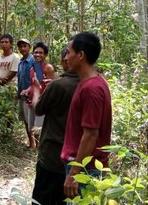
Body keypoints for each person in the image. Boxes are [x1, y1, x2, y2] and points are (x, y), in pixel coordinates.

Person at [61, 32, 112, 200]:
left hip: (86, 170)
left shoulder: (92, 89)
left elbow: (91, 134)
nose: (66, 57)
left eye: (69, 52)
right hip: (83, 168)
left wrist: (75, 173)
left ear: (81, 55)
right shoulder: (89, 83)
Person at [31, 47, 80, 205]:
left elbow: (38, 109)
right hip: (80, 158)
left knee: (43, 197)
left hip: (53, 154)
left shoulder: (58, 85)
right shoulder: (94, 85)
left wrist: (38, 89)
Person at [23, 42, 57, 127]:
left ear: (45, 55)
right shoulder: (32, 68)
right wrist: (27, 90)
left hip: (42, 104)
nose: (37, 54)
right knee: (33, 128)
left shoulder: (48, 68)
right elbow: (33, 84)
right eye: (36, 52)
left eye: (41, 53)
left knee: (40, 128)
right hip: (32, 102)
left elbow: (51, 86)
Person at [16, 38, 39, 148]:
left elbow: (38, 78)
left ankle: (38, 144)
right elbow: (20, 79)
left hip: (32, 96)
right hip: (22, 96)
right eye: (20, 47)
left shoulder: (34, 61)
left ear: (29, 47)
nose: (22, 48)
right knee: (26, 120)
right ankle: (31, 143)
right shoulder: (20, 62)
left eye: (25, 46)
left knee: (35, 120)